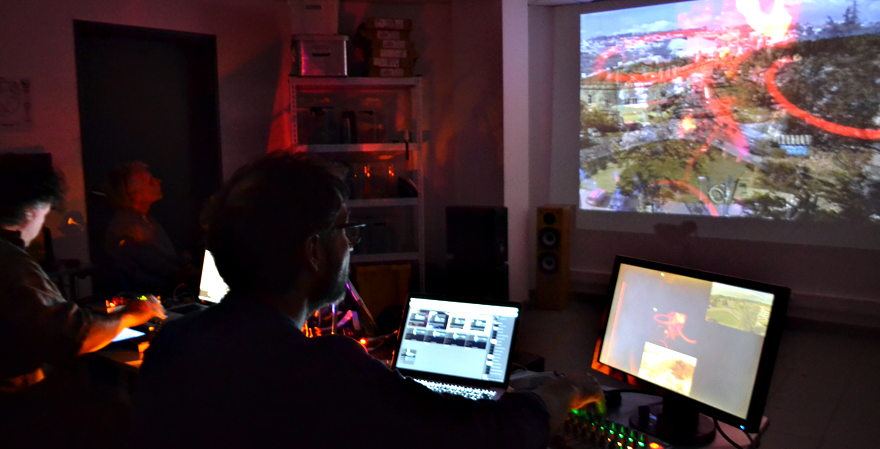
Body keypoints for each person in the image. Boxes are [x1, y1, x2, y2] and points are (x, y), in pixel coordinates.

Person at [131, 152, 603, 449]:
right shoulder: (325, 371)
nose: (351, 245)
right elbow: (473, 436)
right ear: (313, 251)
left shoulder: (173, 344)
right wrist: (555, 396)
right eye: (345, 230)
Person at [0, 153, 167, 447]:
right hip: (17, 408)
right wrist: (130, 315)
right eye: (47, 212)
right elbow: (74, 335)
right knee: (116, 407)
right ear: (32, 210)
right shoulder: (13, 265)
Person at [102, 161, 191, 297]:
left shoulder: (146, 219)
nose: (159, 181)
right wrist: (188, 271)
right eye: (150, 182)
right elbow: (162, 272)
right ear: (134, 194)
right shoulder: (130, 229)